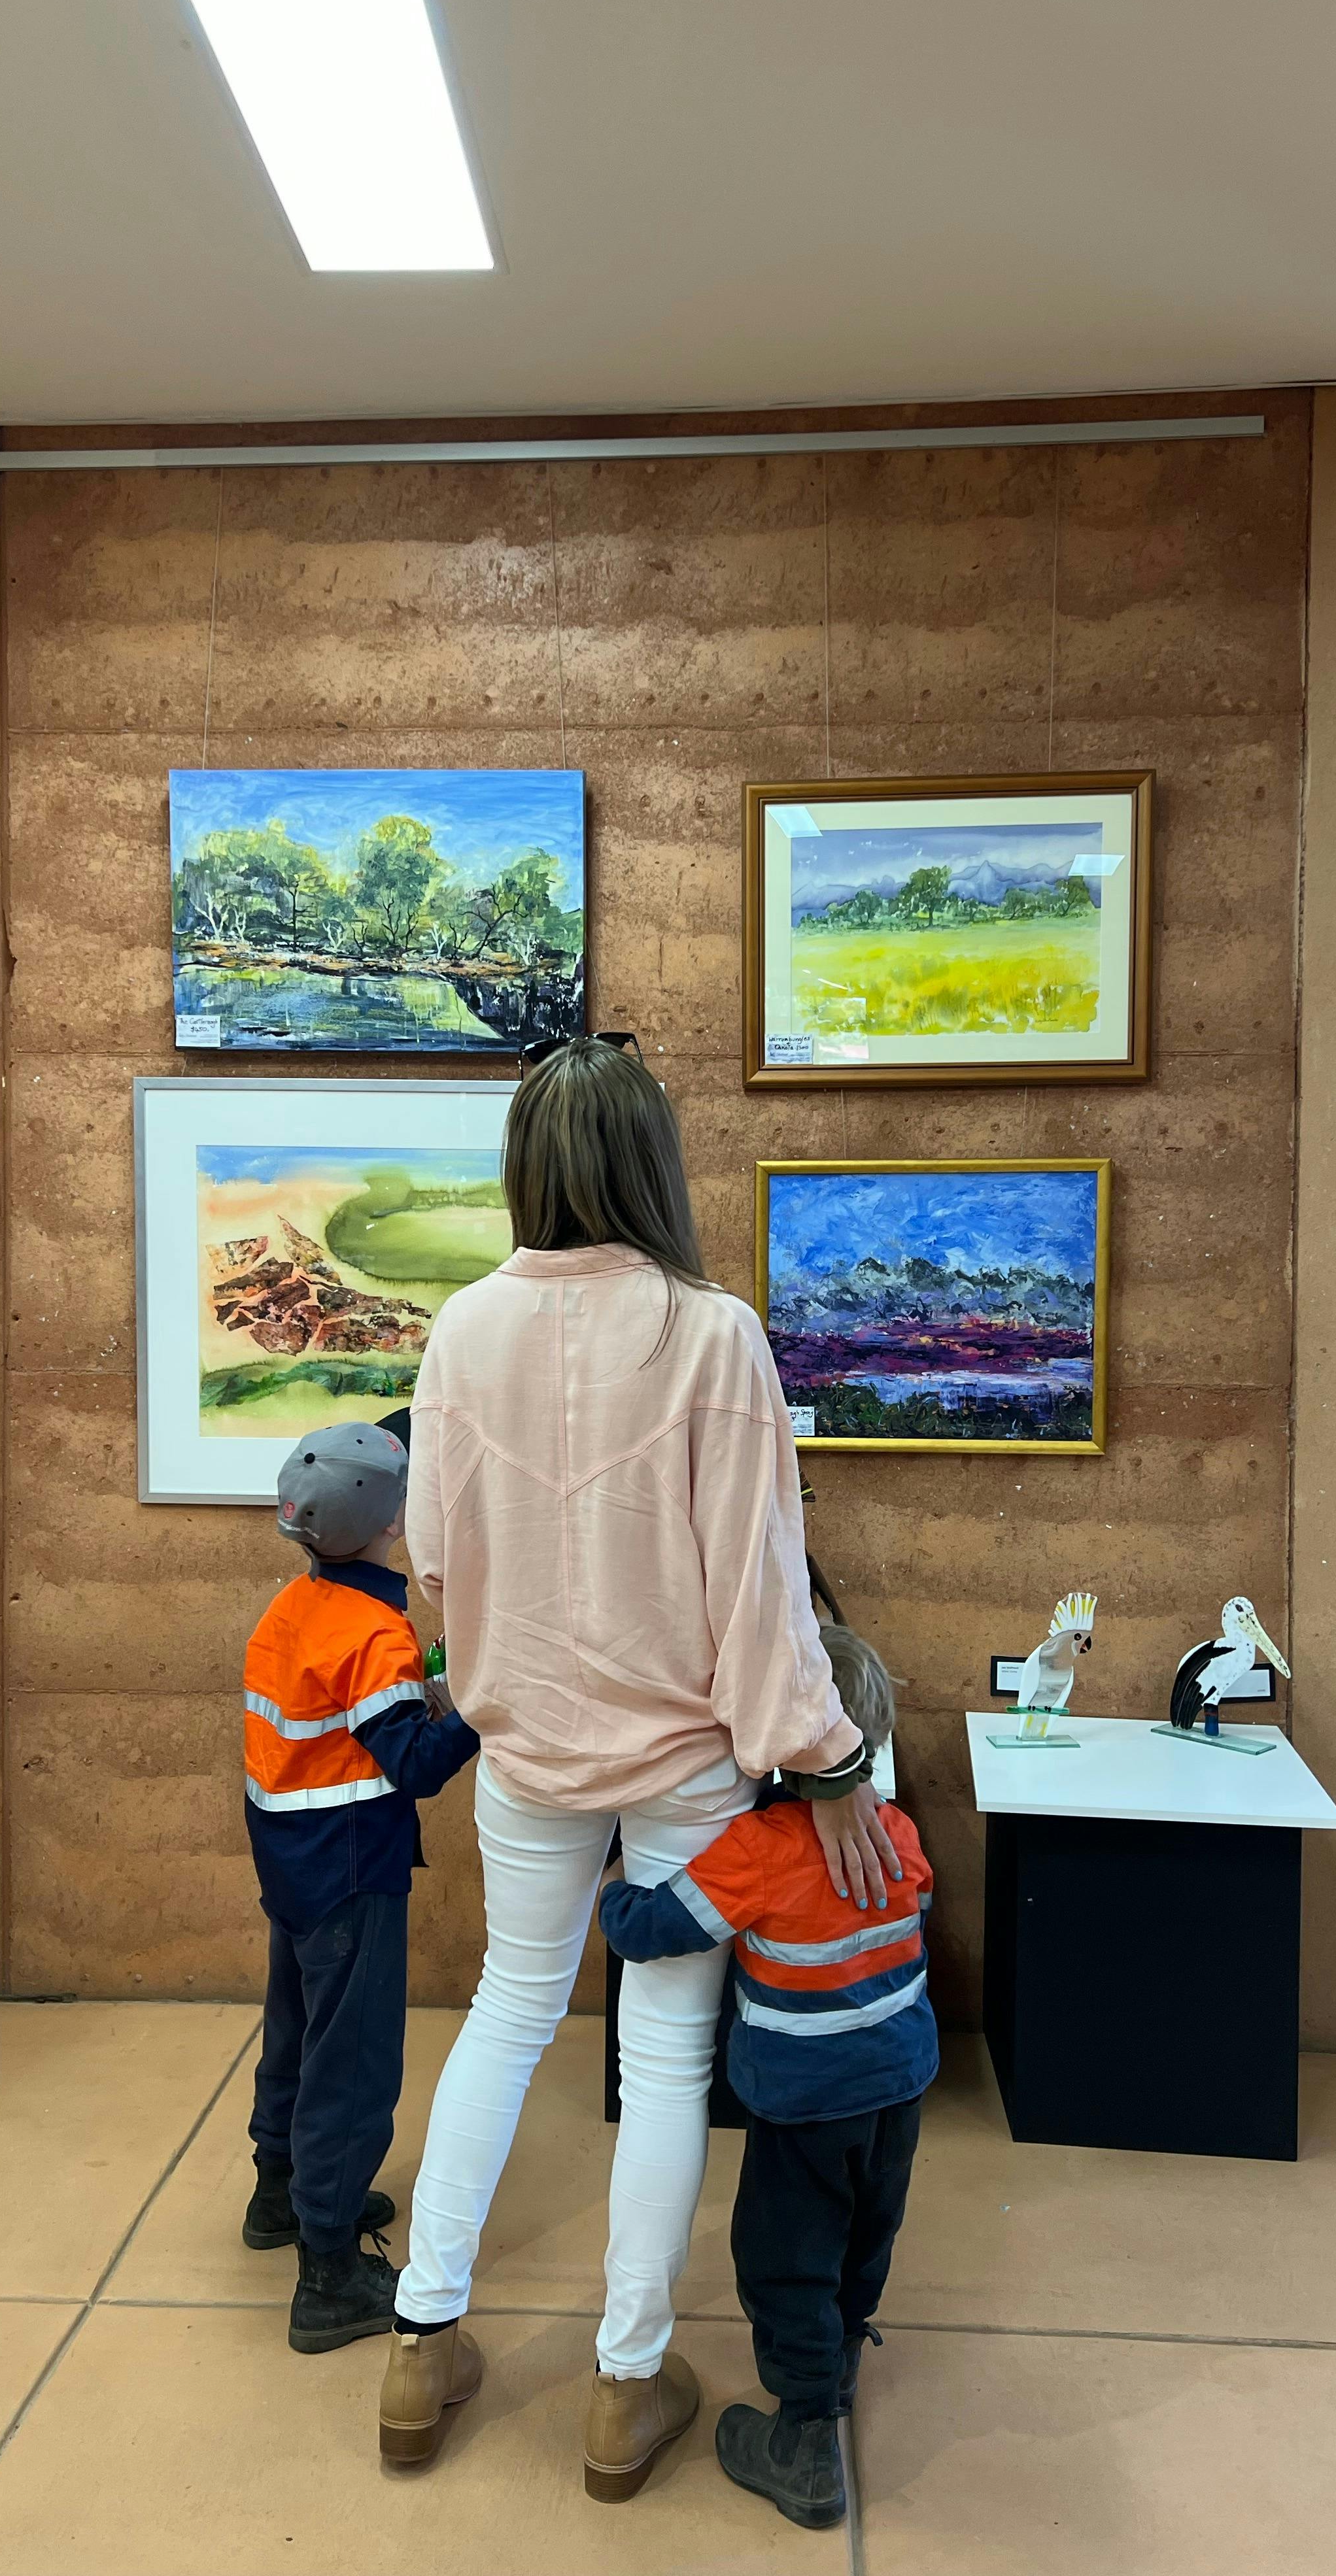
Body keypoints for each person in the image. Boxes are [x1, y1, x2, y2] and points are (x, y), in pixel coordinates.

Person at [377, 1034, 901, 2498]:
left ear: (522, 1168)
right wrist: (828, 1757)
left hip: (525, 1745)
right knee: (663, 2056)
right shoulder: (710, 1329)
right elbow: (761, 1582)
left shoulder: (463, 1328)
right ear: (654, 1164)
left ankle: (421, 2344)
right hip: (686, 1761)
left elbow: (430, 1555)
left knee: (506, 2013)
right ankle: (624, 2385)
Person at [599, 1620, 934, 2532]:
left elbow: (651, 1930)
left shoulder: (757, 1851)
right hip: (900, 2083)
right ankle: (841, 2356)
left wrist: (612, 1881)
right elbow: (919, 1904)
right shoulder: (897, 1831)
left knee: (785, 2256)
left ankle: (803, 2434)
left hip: (803, 2100)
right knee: (868, 2229)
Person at [240, 1414, 480, 2356]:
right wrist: (481, 1704)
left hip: (291, 1859)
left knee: (297, 2026)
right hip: (351, 1867)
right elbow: (414, 1764)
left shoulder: (292, 1609)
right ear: (394, 1523)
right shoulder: (372, 1633)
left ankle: (278, 2193)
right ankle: (330, 2272)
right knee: (354, 2063)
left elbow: (344, 1717)